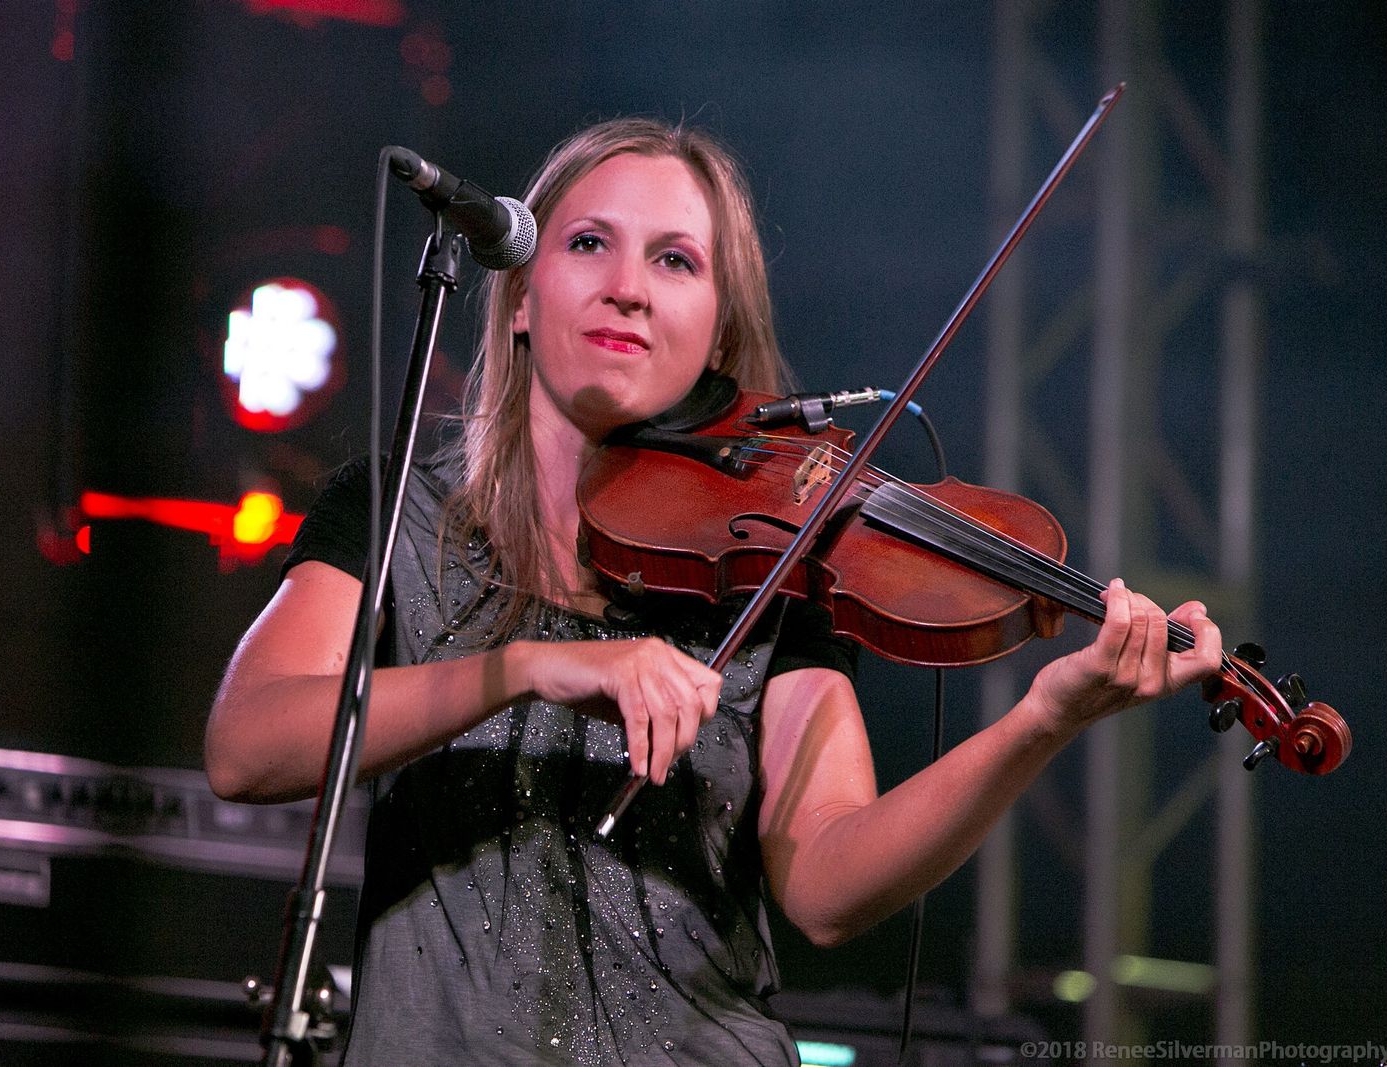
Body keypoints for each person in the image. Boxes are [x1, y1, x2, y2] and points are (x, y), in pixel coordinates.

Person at [204, 118, 1222, 1066]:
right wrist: (522, 668)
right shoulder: (398, 509)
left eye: (676, 261)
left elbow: (826, 884)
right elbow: (247, 746)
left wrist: (1040, 721)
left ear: (718, 333)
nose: (629, 289)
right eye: (589, 244)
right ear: (517, 298)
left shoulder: (775, 561)